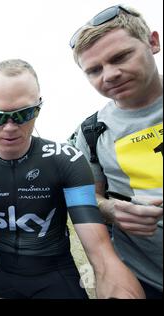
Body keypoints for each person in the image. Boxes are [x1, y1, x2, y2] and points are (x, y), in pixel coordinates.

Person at [0, 59, 145, 299]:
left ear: (39, 108)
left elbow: (100, 250)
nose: (9, 127)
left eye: (23, 114)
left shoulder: (66, 160)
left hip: (55, 271)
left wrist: (114, 281)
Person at [70, 4, 163, 298]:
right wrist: (110, 209)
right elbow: (88, 197)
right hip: (145, 280)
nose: (109, 75)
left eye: (120, 57)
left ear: (153, 42)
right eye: (94, 70)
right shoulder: (90, 132)